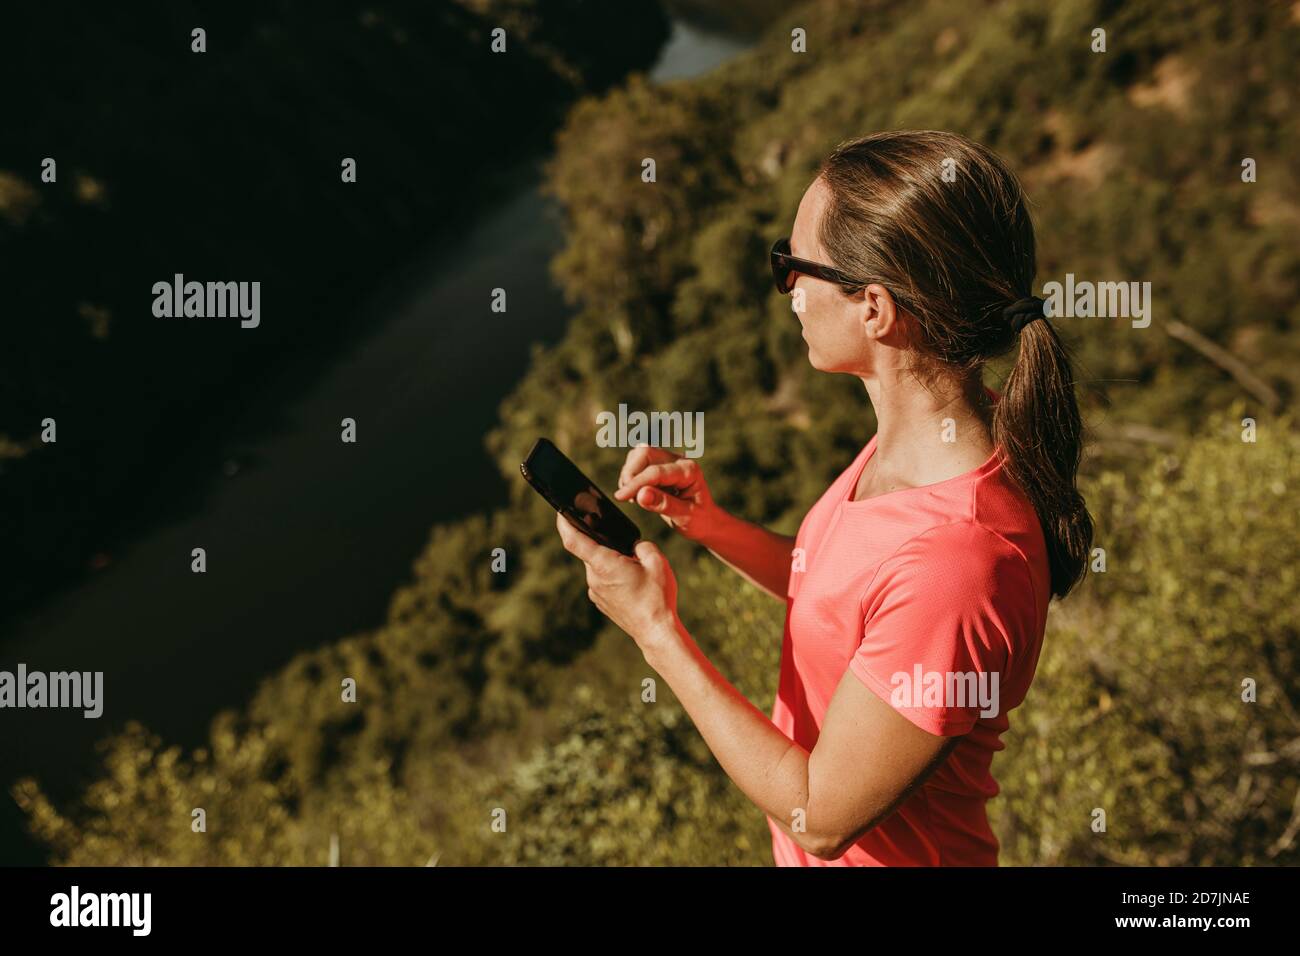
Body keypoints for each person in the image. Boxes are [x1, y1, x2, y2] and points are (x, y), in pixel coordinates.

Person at [554, 129, 1093, 866]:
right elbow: (843, 600)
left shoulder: (960, 562)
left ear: (874, 307)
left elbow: (820, 816)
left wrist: (656, 632)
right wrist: (711, 526)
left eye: (793, 266)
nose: (789, 291)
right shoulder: (924, 444)